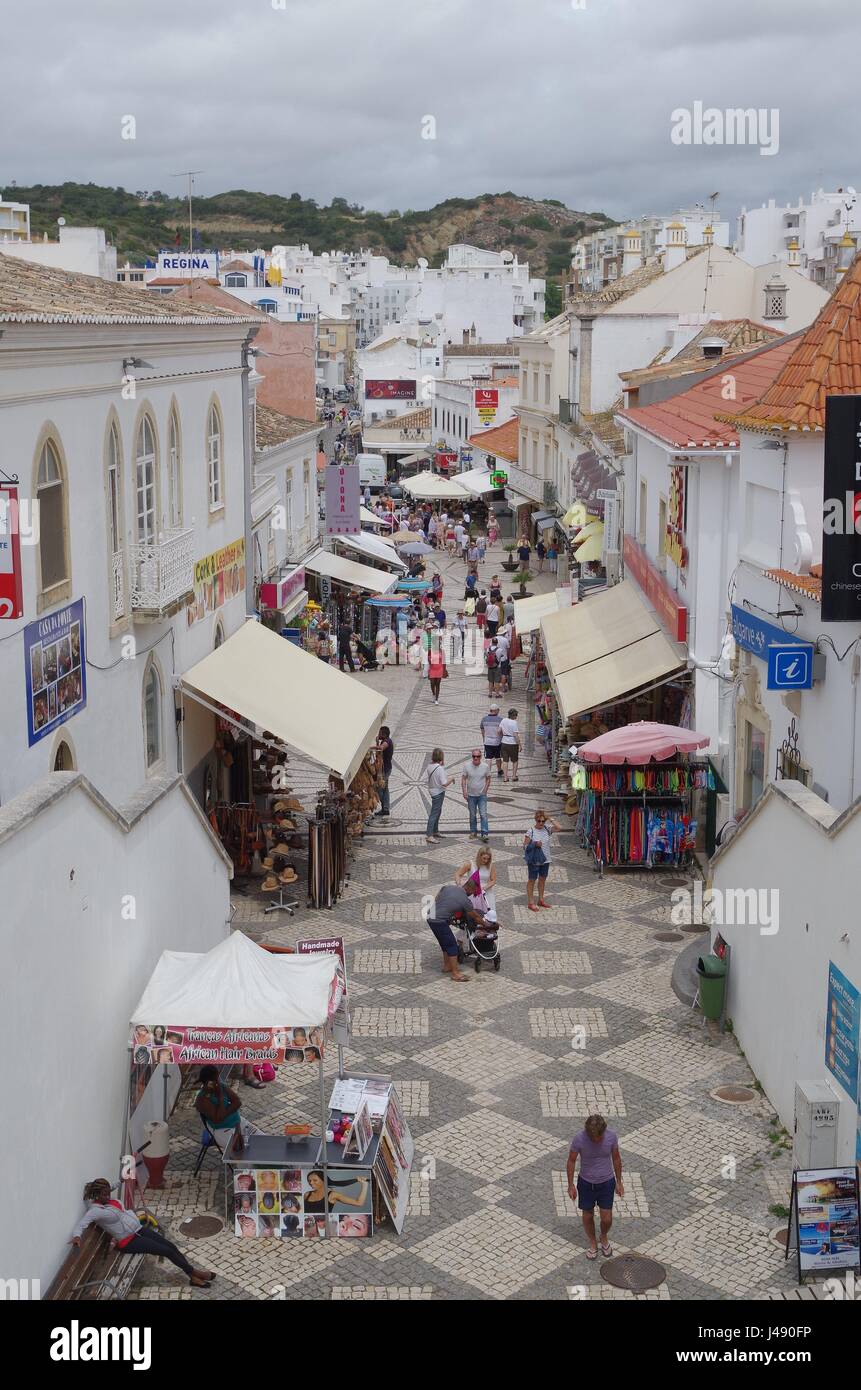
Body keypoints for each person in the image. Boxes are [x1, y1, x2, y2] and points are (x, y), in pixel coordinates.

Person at [69, 1179, 215, 1288]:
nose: (108, 1196)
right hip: (128, 1241)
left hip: (138, 1230)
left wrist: (121, 1178)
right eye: (104, 1194)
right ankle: (196, 1272)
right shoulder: (95, 1211)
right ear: (96, 1195)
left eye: (108, 1192)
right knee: (166, 1251)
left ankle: (193, 1277)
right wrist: (76, 1236)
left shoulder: (109, 1199)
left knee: (171, 1246)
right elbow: (82, 1224)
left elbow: (112, 1186)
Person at [566, 1115, 624, 1259]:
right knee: (587, 1216)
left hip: (606, 1182)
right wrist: (570, 1185)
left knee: (607, 1219)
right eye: (593, 1137)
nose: (596, 1140)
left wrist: (619, 1181)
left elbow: (616, 1158)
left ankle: (603, 1236)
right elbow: (571, 1161)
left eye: (599, 1137)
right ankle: (593, 1242)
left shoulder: (611, 1137)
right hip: (585, 1183)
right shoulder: (579, 1139)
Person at [426, 880, 488, 982]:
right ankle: (455, 973)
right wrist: (485, 925)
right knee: (452, 945)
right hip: (439, 920)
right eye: (472, 892)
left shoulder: (449, 887)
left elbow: (440, 893)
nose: (471, 895)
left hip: (430, 917)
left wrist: (440, 906)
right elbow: (476, 916)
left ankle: (447, 966)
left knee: (444, 942)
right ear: (468, 888)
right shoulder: (465, 900)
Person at [195, 1066, 245, 1153]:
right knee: (241, 1152)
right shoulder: (202, 1099)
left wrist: (224, 1113)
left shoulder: (221, 1086)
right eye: (216, 1078)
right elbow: (217, 1119)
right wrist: (221, 1098)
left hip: (238, 1123)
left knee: (261, 1138)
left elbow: (237, 1102)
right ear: (208, 1082)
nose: (218, 1080)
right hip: (222, 1130)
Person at [524, 807, 562, 910]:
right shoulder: (531, 831)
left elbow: (559, 827)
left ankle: (541, 899)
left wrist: (550, 818)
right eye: (539, 821)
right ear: (535, 820)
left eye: (543, 821)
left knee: (542, 879)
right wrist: (535, 844)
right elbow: (525, 846)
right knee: (532, 880)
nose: (541, 823)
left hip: (546, 859)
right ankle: (531, 902)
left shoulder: (547, 829)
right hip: (534, 860)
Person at [456, 844, 497, 913]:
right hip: (472, 892)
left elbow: (493, 880)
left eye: (488, 859)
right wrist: (459, 883)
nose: (486, 861)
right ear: (479, 856)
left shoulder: (490, 866)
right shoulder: (470, 864)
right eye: (484, 858)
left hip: (486, 893)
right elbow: (458, 874)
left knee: (488, 914)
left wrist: (484, 888)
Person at [461, 747, 491, 841]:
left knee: (483, 814)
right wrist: (464, 791)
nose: (475, 758)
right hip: (471, 795)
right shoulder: (467, 766)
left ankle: (484, 833)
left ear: (480, 756)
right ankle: (473, 831)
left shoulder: (485, 766)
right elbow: (463, 778)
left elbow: (488, 778)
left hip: (481, 795)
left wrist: (485, 790)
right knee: (472, 815)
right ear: (472, 756)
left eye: (477, 756)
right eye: (474, 756)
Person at [426, 747, 453, 842]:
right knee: (434, 813)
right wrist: (451, 779)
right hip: (438, 792)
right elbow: (444, 783)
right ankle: (429, 835)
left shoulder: (430, 766)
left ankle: (435, 831)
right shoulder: (439, 768)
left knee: (438, 811)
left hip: (433, 790)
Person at [374, 725, 394, 819]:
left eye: (380, 733)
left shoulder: (387, 741)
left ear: (384, 734)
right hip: (385, 769)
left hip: (385, 770)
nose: (378, 734)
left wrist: (370, 747)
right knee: (385, 789)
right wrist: (377, 741)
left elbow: (381, 748)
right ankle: (385, 809)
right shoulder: (384, 740)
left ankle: (384, 807)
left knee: (380, 788)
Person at [480, 702, 504, 778]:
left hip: (487, 741)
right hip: (497, 742)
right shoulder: (500, 720)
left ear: (490, 710)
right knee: (498, 757)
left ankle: (488, 772)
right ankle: (499, 770)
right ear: (496, 710)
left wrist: (484, 738)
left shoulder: (484, 719)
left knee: (488, 758)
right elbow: (502, 731)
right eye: (498, 710)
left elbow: (482, 729)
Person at [499, 707, 522, 783]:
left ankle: (505, 778)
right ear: (514, 715)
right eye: (516, 715)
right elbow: (515, 735)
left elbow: (499, 731)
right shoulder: (514, 723)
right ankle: (514, 776)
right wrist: (520, 745)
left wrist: (503, 736)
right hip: (512, 744)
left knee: (505, 761)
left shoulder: (503, 720)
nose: (516, 717)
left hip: (504, 742)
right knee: (515, 760)